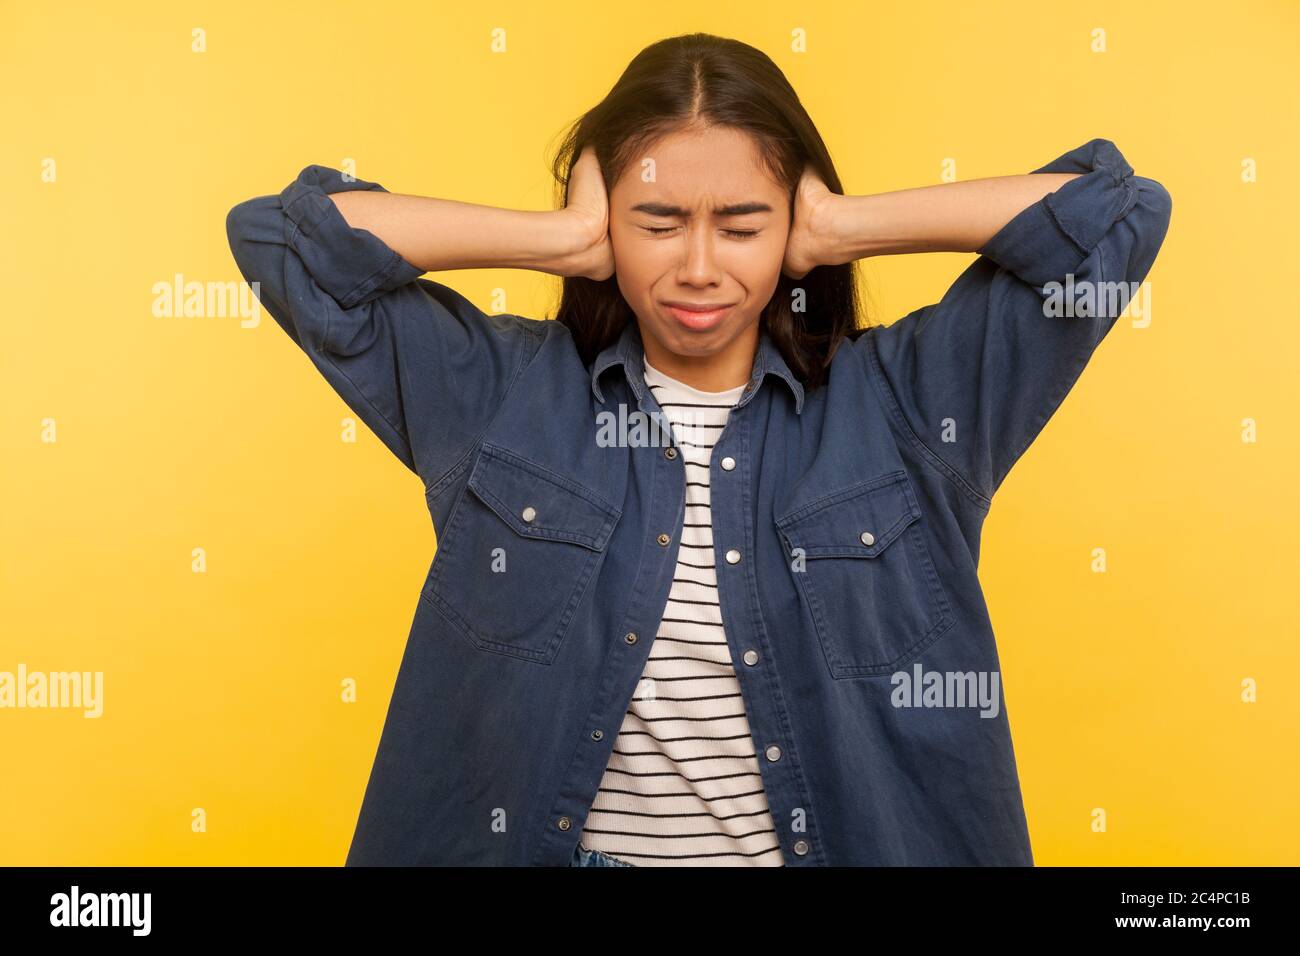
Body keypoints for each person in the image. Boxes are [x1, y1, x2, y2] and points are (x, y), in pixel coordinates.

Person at [225, 32, 1171, 867]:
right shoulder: (495, 396)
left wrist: (846, 225)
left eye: (744, 224)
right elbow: (279, 240)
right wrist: (555, 238)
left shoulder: (914, 403)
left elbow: (1119, 219)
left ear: (792, 226)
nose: (700, 269)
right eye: (658, 222)